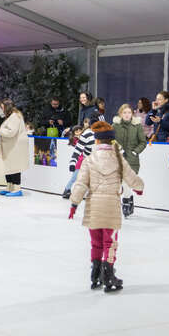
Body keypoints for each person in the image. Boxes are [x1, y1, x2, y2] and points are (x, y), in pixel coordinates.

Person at [69, 121, 145, 293]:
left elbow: (81, 183)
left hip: (93, 206)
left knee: (96, 243)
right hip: (111, 206)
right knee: (109, 243)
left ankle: (95, 274)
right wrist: (139, 188)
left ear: (96, 141)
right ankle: (109, 274)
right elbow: (132, 178)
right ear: (111, 141)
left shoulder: (89, 160)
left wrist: (74, 203)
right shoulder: (118, 158)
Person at [112, 104, 146, 218]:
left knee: (127, 182)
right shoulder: (115, 125)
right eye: (124, 113)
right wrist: (118, 148)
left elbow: (143, 142)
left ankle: (126, 200)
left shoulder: (137, 126)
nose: (127, 115)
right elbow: (111, 140)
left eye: (129, 113)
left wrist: (135, 152)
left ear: (132, 114)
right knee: (122, 182)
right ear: (120, 114)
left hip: (132, 160)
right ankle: (129, 197)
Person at [0, 99, 29, 197]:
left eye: (2, 107)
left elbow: (11, 132)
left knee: (14, 167)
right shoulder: (12, 116)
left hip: (15, 146)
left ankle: (17, 188)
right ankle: (9, 187)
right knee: (8, 166)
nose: (2, 109)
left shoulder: (15, 117)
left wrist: (0, 130)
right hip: (10, 146)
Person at [61, 125, 83, 199]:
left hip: (84, 161)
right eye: (77, 131)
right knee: (74, 178)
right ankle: (67, 190)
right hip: (78, 162)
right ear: (74, 133)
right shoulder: (75, 140)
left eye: (80, 131)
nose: (78, 132)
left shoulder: (84, 139)